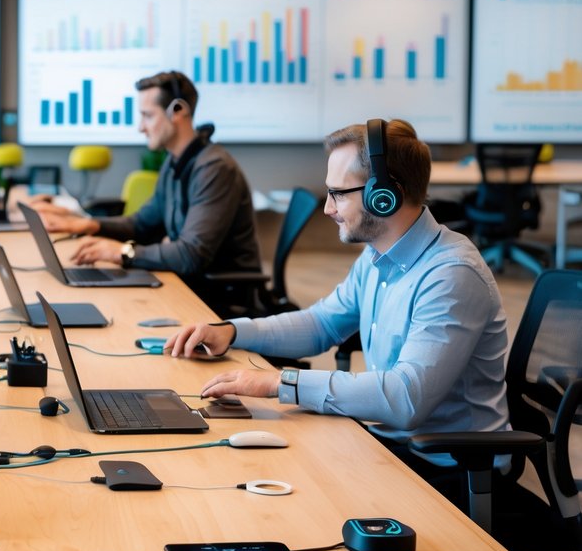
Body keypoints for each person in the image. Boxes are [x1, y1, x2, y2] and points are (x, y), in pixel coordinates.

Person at [167, 118, 510, 492]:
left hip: (455, 467)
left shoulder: (451, 274)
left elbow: (405, 398)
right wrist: (232, 331)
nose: (328, 208)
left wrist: (279, 382)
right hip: (394, 444)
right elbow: (322, 324)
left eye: (339, 193)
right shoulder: (379, 255)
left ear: (385, 195)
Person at [38, 71, 260, 305]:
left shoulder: (214, 169)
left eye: (147, 116)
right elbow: (142, 224)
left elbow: (191, 254)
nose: (141, 127)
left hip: (220, 298)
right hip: (188, 285)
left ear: (178, 111)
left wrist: (122, 252)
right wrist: (89, 224)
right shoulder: (175, 162)